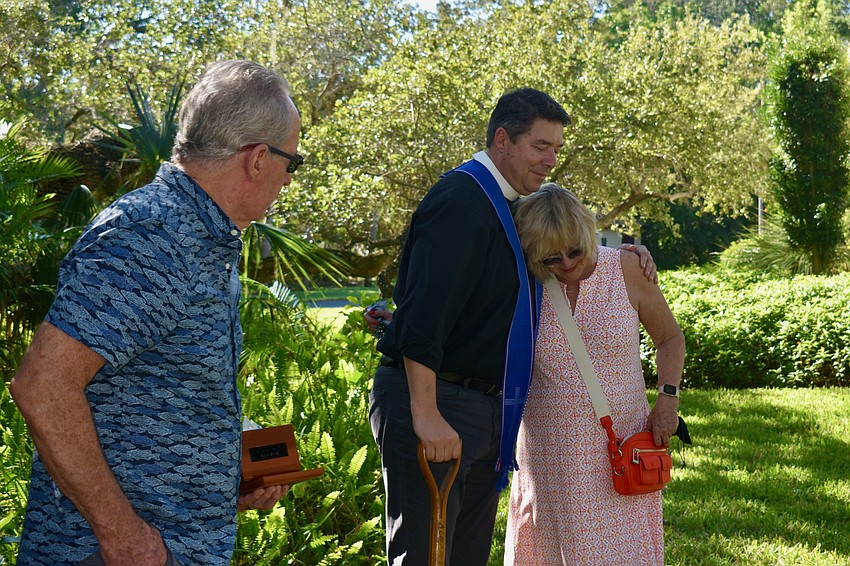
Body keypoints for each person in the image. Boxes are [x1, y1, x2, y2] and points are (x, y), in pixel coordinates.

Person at [9, 60, 301, 565]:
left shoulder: (203, 237)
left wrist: (229, 469)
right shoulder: (152, 235)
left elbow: (156, 392)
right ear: (256, 159)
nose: (288, 180)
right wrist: (122, 535)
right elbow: (43, 386)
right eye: (291, 163)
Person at [367, 87, 656, 566]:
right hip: (439, 406)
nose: (550, 161)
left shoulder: (507, 205)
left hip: (481, 410)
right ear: (503, 140)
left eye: (556, 150)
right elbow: (424, 318)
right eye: (541, 147)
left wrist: (620, 255)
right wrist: (426, 414)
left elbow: (550, 248)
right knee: (426, 557)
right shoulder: (462, 200)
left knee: (462, 557)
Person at [505, 184, 685, 565]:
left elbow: (670, 338)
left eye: (575, 251)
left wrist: (667, 399)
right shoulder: (525, 281)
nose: (567, 264)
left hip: (621, 451)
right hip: (549, 457)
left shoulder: (626, 268)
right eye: (552, 258)